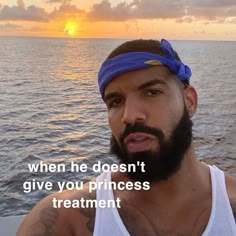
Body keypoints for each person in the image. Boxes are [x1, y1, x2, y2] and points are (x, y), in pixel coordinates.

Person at [17, 39, 236, 236]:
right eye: (115, 102)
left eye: (152, 93)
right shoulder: (64, 220)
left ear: (189, 101)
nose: (129, 116)